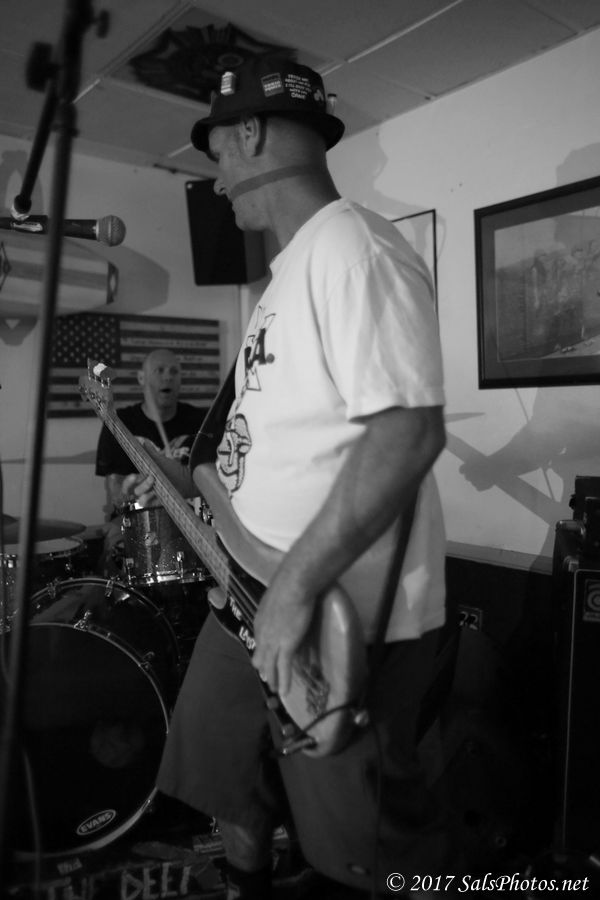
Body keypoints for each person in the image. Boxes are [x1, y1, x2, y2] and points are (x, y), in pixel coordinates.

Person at [130, 57, 450, 899]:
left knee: (363, 856)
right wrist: (191, 486)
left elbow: (409, 433)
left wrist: (296, 590)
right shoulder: (282, 281)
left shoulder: (352, 248)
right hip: (244, 594)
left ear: (250, 132)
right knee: (231, 791)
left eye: (218, 156)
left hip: (331, 618)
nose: (216, 182)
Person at [95, 348, 205, 577]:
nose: (168, 377)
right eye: (159, 370)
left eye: (174, 371)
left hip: (189, 519)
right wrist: (132, 492)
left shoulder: (201, 421)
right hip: (134, 520)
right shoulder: (120, 423)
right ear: (141, 378)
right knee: (117, 553)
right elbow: (116, 496)